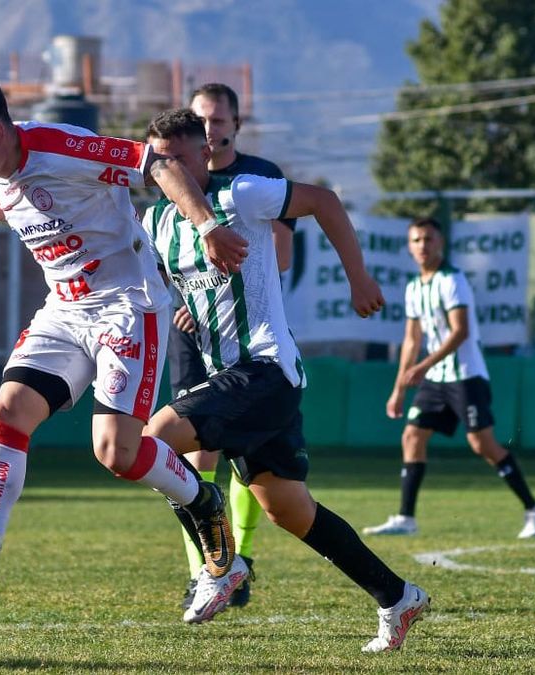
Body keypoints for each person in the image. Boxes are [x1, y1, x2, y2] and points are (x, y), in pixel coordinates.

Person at [0, 74, 251, 623]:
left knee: (116, 452)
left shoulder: (59, 147)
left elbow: (156, 164)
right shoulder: (0, 167)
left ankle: (203, 500)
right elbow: (25, 205)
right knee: (7, 412)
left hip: (127, 305)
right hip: (65, 309)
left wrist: (206, 224)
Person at [142, 108, 429, 651]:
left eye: (178, 158)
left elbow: (324, 201)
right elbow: (158, 282)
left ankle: (220, 561)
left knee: (155, 439)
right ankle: (397, 596)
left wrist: (358, 277)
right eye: (159, 162)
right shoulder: (155, 221)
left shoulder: (241, 194)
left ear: (205, 154)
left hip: (266, 368)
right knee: (289, 510)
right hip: (232, 376)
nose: (167, 171)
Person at [170, 82, 300, 611]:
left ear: (236, 125)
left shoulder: (258, 178)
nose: (208, 128)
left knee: (246, 454)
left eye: (218, 120)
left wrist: (218, 290)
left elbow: (280, 258)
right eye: (199, 119)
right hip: (191, 332)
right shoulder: (170, 179)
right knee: (190, 452)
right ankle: (206, 569)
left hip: (247, 334)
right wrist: (186, 299)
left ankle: (238, 558)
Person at [363, 217, 535, 539]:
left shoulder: (452, 280)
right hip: (435, 378)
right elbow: (411, 340)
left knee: (482, 444)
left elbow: (460, 331)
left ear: (441, 243)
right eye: (417, 240)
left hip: (466, 376)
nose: (423, 245)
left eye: (429, 239)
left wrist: (423, 366)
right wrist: (398, 390)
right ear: (409, 247)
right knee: (412, 436)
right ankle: (406, 518)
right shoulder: (413, 287)